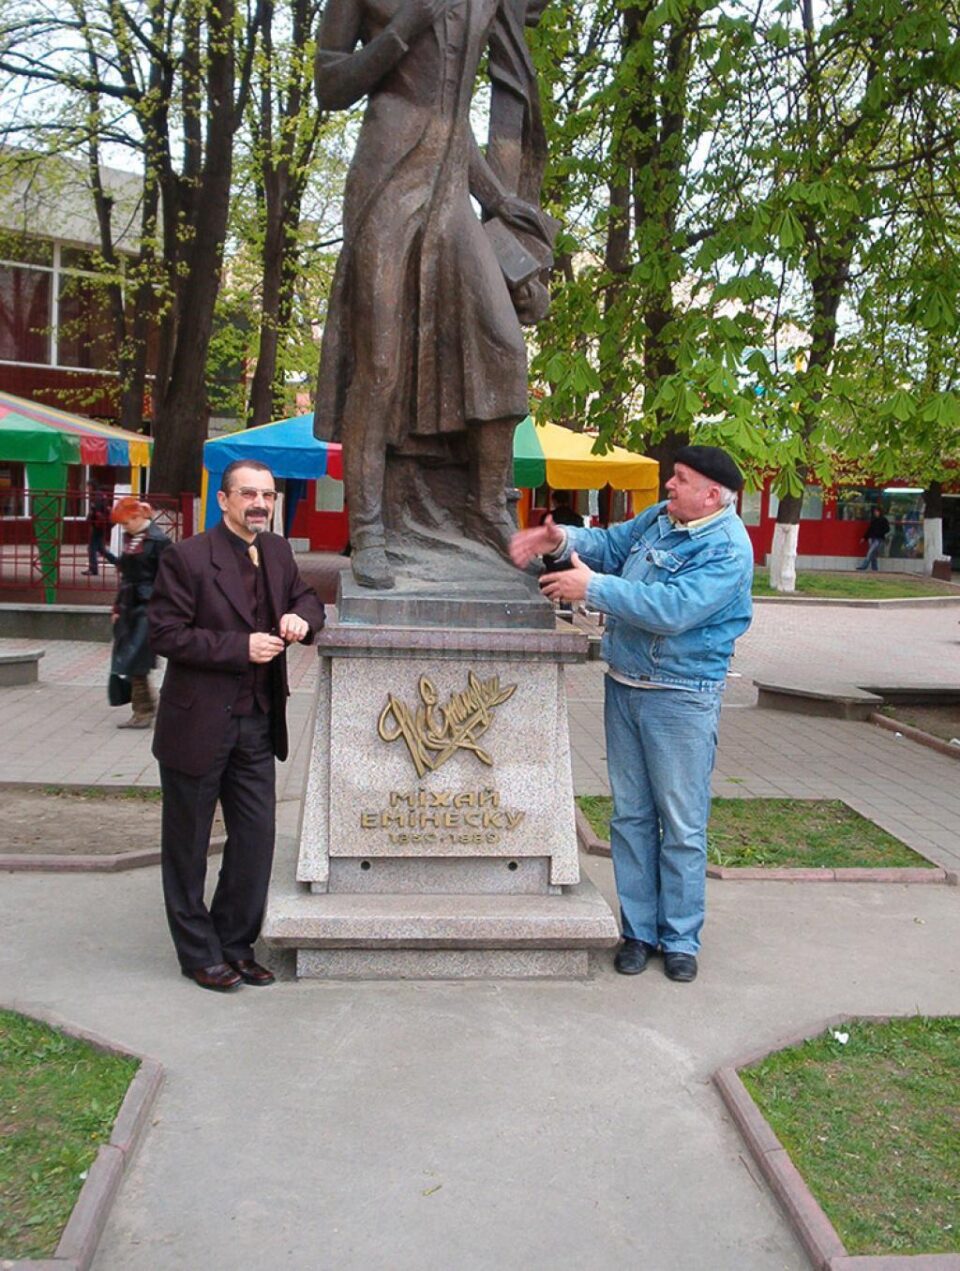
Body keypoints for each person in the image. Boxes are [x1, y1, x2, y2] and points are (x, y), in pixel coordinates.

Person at [313, 0, 554, 590]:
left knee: (502, 344)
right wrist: (405, 26)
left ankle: (486, 505)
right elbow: (330, 84)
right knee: (382, 363)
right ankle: (369, 528)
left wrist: (498, 199)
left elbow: (455, 120)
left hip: (451, 187)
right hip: (385, 174)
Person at [510, 445, 754, 982]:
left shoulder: (729, 549)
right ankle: (639, 931)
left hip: (680, 696)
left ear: (712, 494)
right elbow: (612, 543)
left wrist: (591, 587)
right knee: (631, 818)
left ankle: (681, 938)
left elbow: (673, 609)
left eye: (681, 480)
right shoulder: (660, 519)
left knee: (683, 826)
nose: (669, 486)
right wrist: (563, 539)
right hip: (625, 687)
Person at [148, 461, 326, 992]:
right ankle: (198, 952)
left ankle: (235, 943)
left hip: (257, 722)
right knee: (189, 845)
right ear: (223, 500)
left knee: (255, 839)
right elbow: (165, 634)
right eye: (248, 493)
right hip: (197, 725)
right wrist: (239, 648)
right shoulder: (187, 557)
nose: (260, 504)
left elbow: (306, 597)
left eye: (267, 495)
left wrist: (303, 619)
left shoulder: (275, 550)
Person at [109, 497, 171, 728]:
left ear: (137, 517)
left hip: (148, 605)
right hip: (130, 604)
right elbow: (126, 575)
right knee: (132, 657)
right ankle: (145, 706)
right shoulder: (133, 538)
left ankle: (144, 711)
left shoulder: (159, 540)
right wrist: (117, 606)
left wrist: (164, 606)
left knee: (136, 657)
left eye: (126, 523)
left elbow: (168, 576)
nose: (124, 528)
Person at [82, 483, 117, 576]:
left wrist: (90, 518)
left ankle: (93, 569)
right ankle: (119, 563)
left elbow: (96, 511)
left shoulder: (97, 496)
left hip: (98, 525)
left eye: (88, 486)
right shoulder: (101, 495)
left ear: (91, 486)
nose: (87, 488)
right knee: (101, 549)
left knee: (92, 548)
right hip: (101, 525)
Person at [856, 506, 890, 571]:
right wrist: (864, 537)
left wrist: (880, 533)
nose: (875, 513)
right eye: (875, 512)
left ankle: (864, 566)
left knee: (870, 552)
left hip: (878, 539)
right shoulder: (873, 520)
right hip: (871, 538)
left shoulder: (883, 520)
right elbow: (869, 530)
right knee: (873, 554)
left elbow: (887, 529)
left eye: (876, 511)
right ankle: (875, 568)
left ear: (880, 512)